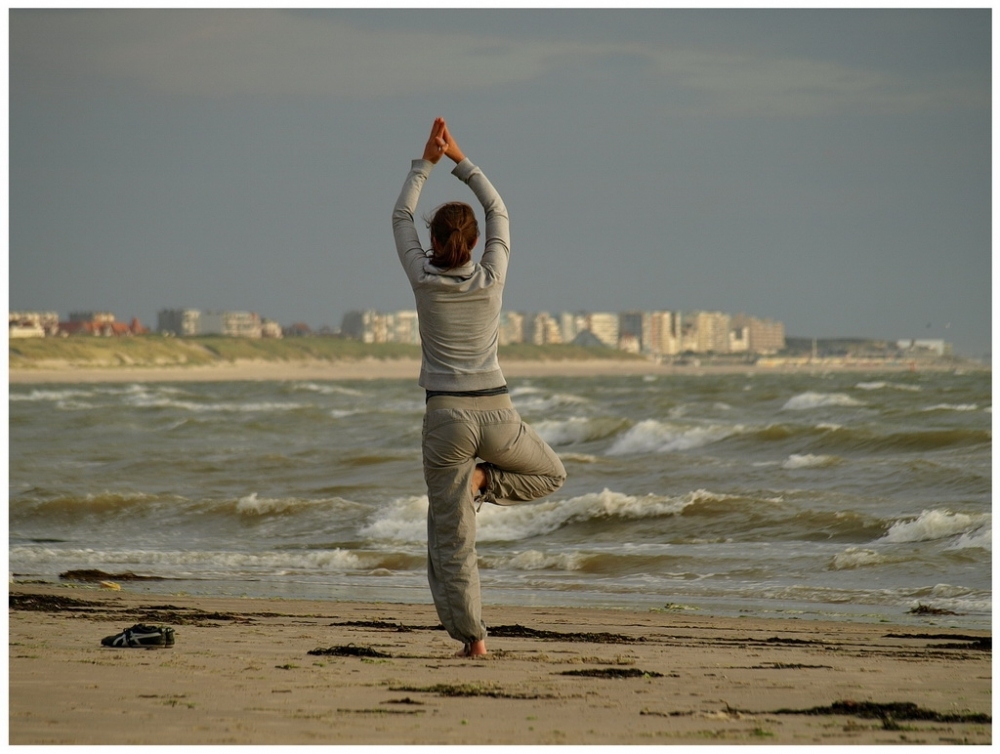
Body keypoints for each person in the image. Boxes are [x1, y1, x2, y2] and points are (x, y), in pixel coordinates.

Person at [392, 117, 567, 658]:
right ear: (472, 245)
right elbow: (499, 211)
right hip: (498, 415)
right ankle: (485, 482)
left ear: (437, 241)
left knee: (452, 536)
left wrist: (425, 162)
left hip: (446, 419)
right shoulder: (491, 277)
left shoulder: (422, 278)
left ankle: (474, 640)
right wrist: (460, 159)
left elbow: (400, 215)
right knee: (551, 475)